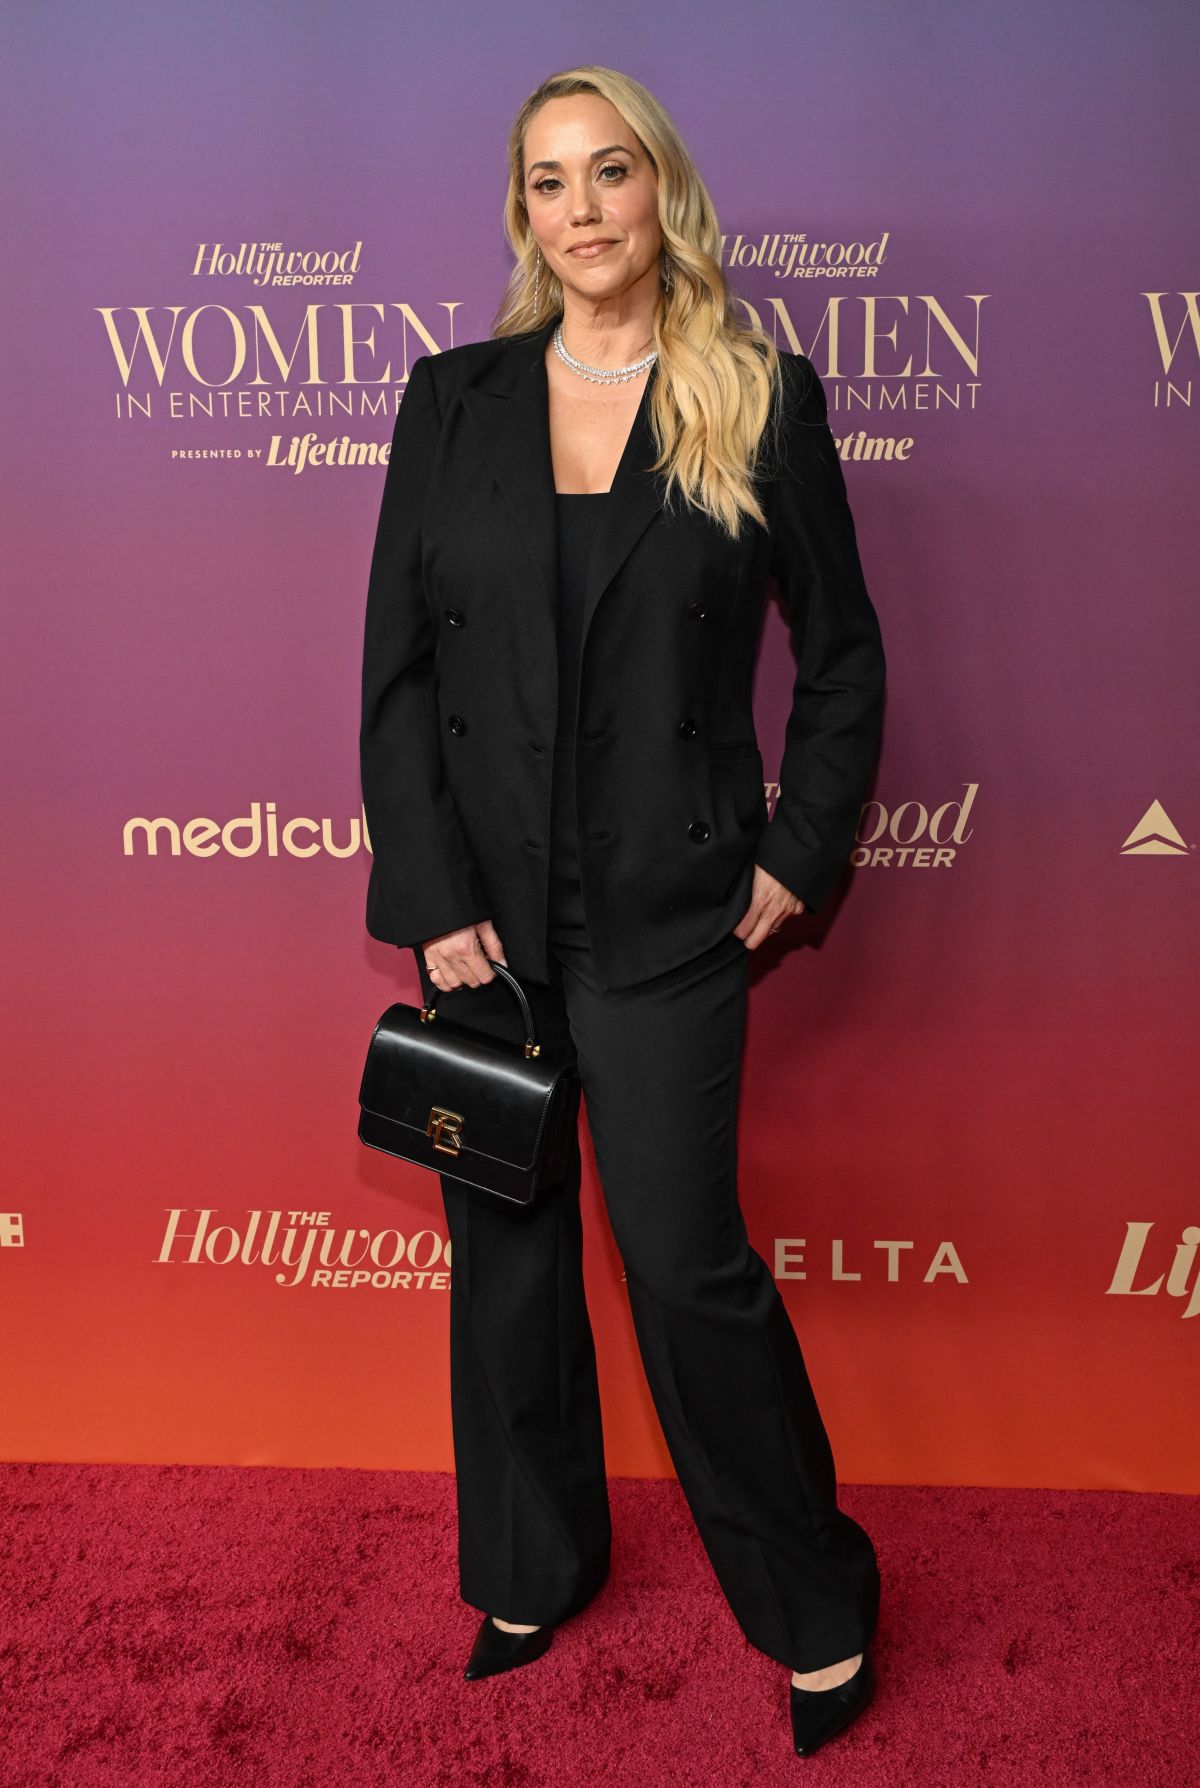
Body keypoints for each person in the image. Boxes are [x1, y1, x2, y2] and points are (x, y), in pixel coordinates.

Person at [359, 64, 887, 1760]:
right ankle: (535, 1567)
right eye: (548, 181)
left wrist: (797, 852)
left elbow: (844, 659)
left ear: (662, 190)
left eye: (610, 172)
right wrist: (430, 893)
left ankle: (813, 1600)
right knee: (505, 1264)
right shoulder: (450, 401)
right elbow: (398, 675)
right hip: (485, 927)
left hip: (670, 915)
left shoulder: (758, 394)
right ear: (520, 214)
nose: (581, 209)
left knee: (684, 1265)